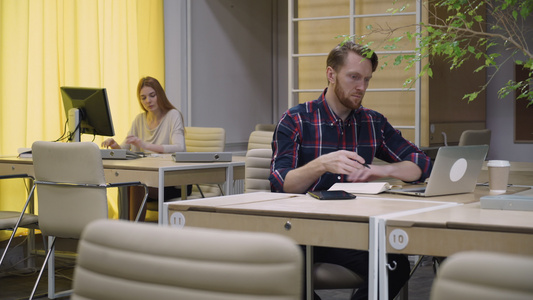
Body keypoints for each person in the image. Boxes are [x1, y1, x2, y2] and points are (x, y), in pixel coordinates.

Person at [269, 41, 432, 299]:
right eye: (354, 77)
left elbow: (421, 165)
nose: (362, 87)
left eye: (367, 79)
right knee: (279, 271)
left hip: (353, 232)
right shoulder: (296, 119)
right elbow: (280, 183)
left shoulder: (373, 122)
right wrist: (321, 164)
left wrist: (379, 170)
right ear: (331, 74)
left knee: (396, 267)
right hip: (302, 230)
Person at [102, 76, 191, 221]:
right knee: (127, 182)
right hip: (149, 179)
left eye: (152, 96)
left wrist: (145, 145)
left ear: (160, 95)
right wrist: (114, 145)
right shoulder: (139, 120)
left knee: (137, 183)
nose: (148, 101)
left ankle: (133, 233)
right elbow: (125, 149)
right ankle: (125, 230)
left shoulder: (173, 116)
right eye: (143, 98)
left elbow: (179, 147)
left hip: (173, 181)